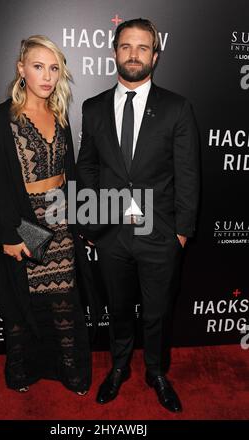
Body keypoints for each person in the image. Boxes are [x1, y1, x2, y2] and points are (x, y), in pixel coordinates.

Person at [76, 18, 200, 412]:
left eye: (143, 47)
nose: (134, 54)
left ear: (156, 56)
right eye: (126, 46)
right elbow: (88, 168)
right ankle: (118, 367)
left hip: (160, 234)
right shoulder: (93, 107)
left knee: (158, 310)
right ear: (114, 52)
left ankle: (157, 372)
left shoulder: (177, 108)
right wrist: (92, 222)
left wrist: (181, 232)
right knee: (117, 307)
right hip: (111, 232)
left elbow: (188, 173)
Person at [0, 35, 94, 395]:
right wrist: (9, 236)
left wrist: (82, 218)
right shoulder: (3, 117)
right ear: (21, 70)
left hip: (59, 217)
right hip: (22, 219)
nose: (47, 76)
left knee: (64, 301)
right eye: (37, 66)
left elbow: (71, 173)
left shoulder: (59, 115)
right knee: (22, 304)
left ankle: (71, 372)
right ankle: (22, 372)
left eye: (53, 68)